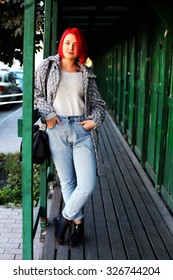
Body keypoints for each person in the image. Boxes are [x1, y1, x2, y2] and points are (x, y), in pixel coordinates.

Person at [34, 27, 106, 247]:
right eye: (67, 42)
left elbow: (99, 105)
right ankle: (78, 225)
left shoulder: (86, 73)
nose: (70, 47)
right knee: (67, 182)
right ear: (62, 43)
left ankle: (63, 218)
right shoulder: (47, 66)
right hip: (57, 128)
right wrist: (50, 115)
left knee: (87, 184)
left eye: (75, 44)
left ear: (80, 48)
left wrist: (95, 120)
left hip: (82, 130)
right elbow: (36, 95)